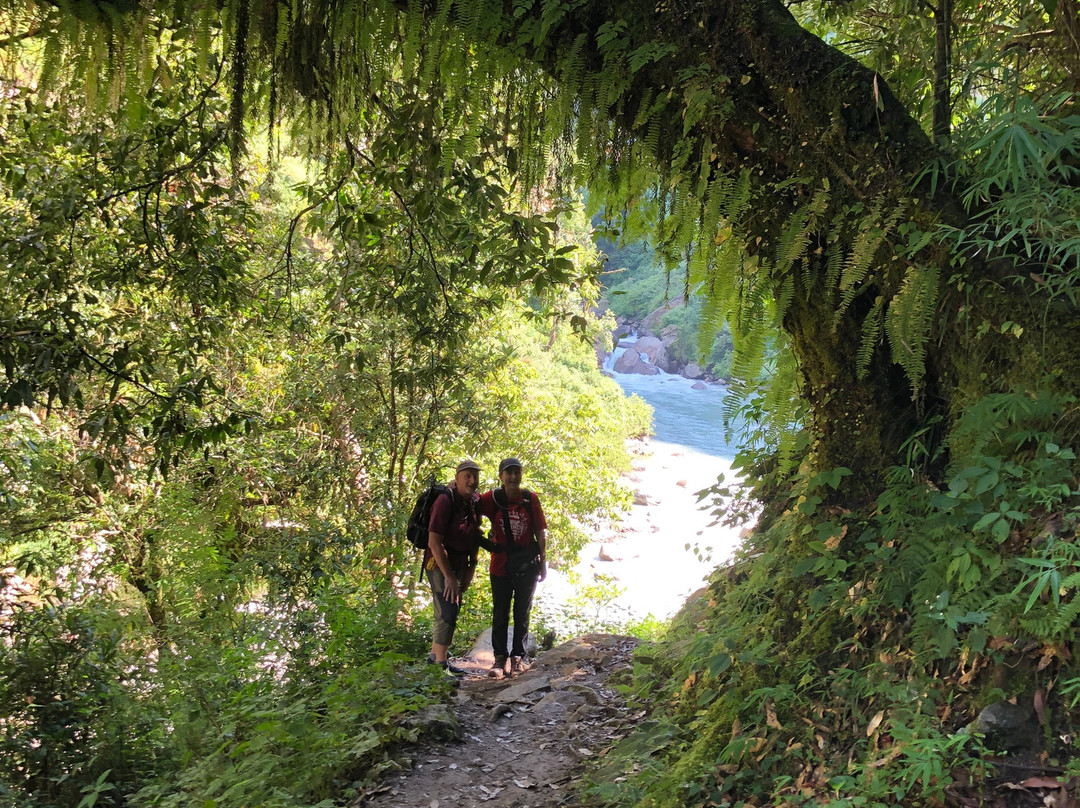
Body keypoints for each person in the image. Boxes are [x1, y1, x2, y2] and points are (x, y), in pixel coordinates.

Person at [478, 457, 547, 678]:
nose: (513, 477)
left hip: (527, 565)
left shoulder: (530, 499)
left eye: (517, 472)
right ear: (501, 476)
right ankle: (499, 659)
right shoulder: (493, 499)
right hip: (501, 565)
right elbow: (471, 508)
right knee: (500, 612)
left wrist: (543, 563)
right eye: (509, 473)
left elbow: (540, 531)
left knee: (522, 612)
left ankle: (518, 657)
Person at [426, 459, 486, 675]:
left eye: (475, 476)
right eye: (467, 476)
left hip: (460, 563)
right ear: (457, 477)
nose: (471, 481)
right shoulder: (445, 501)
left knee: (448, 609)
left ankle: (435, 657)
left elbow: (474, 535)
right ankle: (440, 667)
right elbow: (434, 542)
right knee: (448, 610)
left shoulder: (473, 501)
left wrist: (471, 567)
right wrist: (449, 576)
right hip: (439, 563)